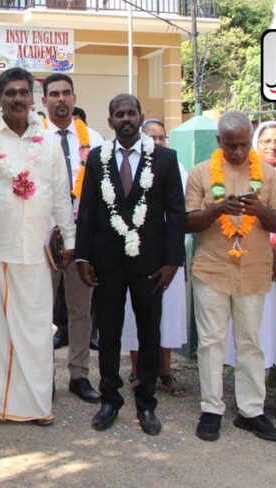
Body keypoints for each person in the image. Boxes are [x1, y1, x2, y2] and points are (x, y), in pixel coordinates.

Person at [0, 68, 74, 430]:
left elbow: (60, 196)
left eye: (23, 93)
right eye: (10, 92)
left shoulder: (49, 142)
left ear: (32, 98)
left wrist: (70, 242)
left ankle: (36, 406)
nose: (17, 99)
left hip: (35, 251)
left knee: (37, 331)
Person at [74, 95, 185, 435]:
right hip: (106, 263)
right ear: (110, 121)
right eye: (119, 114)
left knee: (149, 333)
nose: (125, 119)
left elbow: (176, 214)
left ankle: (146, 403)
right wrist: (83, 257)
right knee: (108, 333)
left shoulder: (164, 158)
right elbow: (88, 211)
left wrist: (172, 262)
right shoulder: (97, 158)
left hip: (150, 265)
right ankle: (110, 398)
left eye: (131, 113)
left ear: (140, 117)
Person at [185, 111, 276, 443]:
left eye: (244, 144)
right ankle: (211, 408)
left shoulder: (268, 175)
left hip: (254, 269)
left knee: (250, 342)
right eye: (231, 145)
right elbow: (188, 222)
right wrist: (217, 209)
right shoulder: (201, 173)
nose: (239, 151)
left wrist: (261, 211)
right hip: (212, 269)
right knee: (211, 342)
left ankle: (251, 411)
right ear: (219, 142)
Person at [222, 121, 276, 419]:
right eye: (265, 140)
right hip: (251, 260)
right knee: (255, 329)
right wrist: (265, 252)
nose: (272, 146)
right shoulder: (245, 175)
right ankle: (255, 396)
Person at [42, 73, 104, 404]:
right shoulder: (36, 137)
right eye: (54, 94)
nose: (61, 99)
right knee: (42, 310)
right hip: (45, 237)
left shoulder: (93, 139)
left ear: (74, 98)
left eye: (66, 93)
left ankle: (79, 375)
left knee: (82, 309)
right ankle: (44, 377)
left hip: (82, 238)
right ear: (44, 101)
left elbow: (101, 191)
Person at [121, 119, 188, 397]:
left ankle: (165, 370)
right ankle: (137, 369)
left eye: (162, 137)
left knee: (167, 316)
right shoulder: (129, 164)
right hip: (135, 252)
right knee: (136, 315)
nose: (158, 142)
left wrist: (174, 256)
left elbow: (179, 213)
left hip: (166, 255)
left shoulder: (175, 166)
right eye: (153, 137)